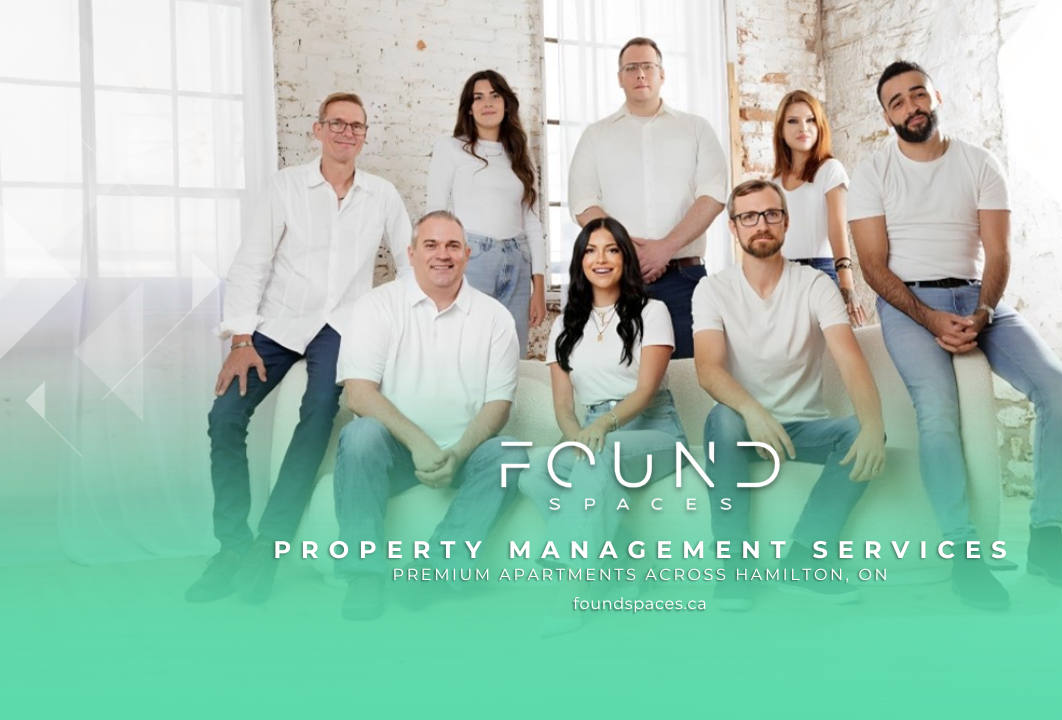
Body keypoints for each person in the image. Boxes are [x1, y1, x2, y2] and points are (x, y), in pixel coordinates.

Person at [847, 61, 1062, 612]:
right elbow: (873, 267)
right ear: (886, 116)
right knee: (937, 411)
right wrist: (930, 319)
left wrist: (982, 311)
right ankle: (964, 555)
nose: (911, 108)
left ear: (936, 96)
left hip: (979, 298)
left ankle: (1047, 539)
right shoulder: (873, 172)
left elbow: (999, 254)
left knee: (1060, 390)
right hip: (909, 304)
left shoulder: (980, 163)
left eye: (917, 95)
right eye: (897, 102)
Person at [187, 92, 412, 605]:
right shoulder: (287, 185)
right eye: (336, 123)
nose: (346, 133)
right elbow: (251, 263)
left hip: (341, 324)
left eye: (356, 126)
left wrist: (399, 327)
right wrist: (242, 339)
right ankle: (232, 548)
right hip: (279, 323)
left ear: (364, 135)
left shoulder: (382, 194)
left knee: (316, 416)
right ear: (317, 130)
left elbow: (410, 262)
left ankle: (270, 545)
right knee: (224, 416)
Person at [693, 179, 887, 612]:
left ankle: (802, 561)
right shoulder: (712, 289)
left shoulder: (815, 285)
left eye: (771, 214)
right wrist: (752, 411)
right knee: (721, 419)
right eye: (748, 216)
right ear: (733, 227)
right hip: (739, 427)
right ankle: (733, 571)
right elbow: (707, 369)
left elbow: (851, 361)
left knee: (859, 431)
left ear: (786, 221)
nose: (760, 224)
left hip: (802, 429)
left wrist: (874, 426)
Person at [329, 210, 527, 621]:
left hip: (465, 453)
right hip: (398, 453)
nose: (443, 255)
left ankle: (435, 571)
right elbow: (360, 395)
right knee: (360, 435)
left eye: (453, 245)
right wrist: (418, 443)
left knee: (509, 453)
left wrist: (456, 453)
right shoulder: (376, 306)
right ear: (412, 252)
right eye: (431, 245)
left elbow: (498, 405)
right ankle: (364, 575)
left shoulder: (495, 318)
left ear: (468, 254)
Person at [519, 217, 685, 637]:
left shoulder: (653, 311)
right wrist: (575, 436)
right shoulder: (564, 325)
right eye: (591, 250)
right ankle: (630, 563)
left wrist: (605, 427)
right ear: (579, 262)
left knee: (603, 454)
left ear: (625, 257)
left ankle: (567, 594)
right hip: (592, 428)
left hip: (655, 430)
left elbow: (646, 391)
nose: (601, 258)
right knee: (537, 472)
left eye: (611, 249)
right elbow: (563, 405)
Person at [568, 36, 728, 360]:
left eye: (648, 66)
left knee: (693, 380)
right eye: (631, 67)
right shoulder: (596, 136)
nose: (640, 74)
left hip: (686, 281)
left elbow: (713, 194)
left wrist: (665, 248)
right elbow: (583, 202)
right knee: (622, 378)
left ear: (662, 74)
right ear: (619, 78)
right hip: (617, 280)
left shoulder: (696, 129)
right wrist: (628, 251)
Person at [426, 69, 546, 356]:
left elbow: (531, 221)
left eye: (494, 95)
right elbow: (436, 214)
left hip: (518, 261)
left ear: (506, 103)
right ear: (469, 108)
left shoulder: (519, 155)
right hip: (472, 258)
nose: (487, 103)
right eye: (478, 98)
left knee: (510, 355)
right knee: (467, 350)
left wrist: (538, 287)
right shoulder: (452, 148)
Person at [770, 89, 865, 324]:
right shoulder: (773, 183)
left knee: (828, 353)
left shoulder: (830, 170)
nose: (804, 127)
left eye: (810, 120)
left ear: (820, 125)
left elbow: (837, 229)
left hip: (820, 272)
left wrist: (847, 285)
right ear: (781, 131)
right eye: (793, 121)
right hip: (781, 277)